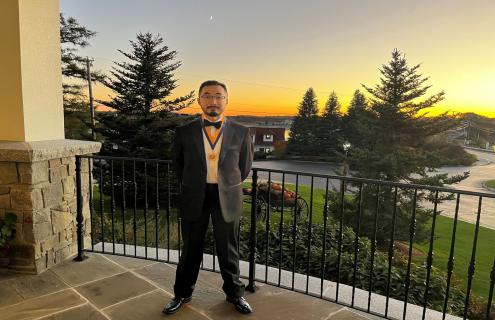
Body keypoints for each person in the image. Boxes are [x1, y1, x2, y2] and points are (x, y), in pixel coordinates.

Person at [163, 80, 254, 315]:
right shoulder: (184, 132)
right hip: (195, 195)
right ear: (199, 100)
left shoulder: (242, 132)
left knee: (229, 248)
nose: (213, 101)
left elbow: (244, 167)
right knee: (191, 248)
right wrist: (194, 182)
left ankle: (235, 294)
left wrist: (225, 183)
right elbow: (178, 164)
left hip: (228, 197)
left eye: (218, 96)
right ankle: (181, 293)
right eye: (207, 96)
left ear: (226, 100)